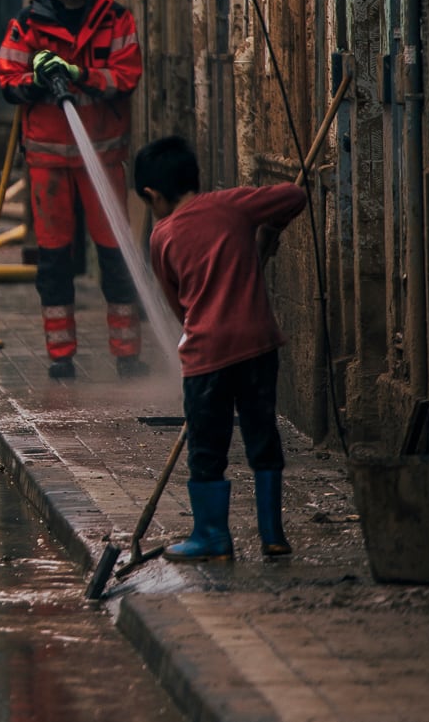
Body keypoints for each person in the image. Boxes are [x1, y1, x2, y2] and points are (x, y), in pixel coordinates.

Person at [135, 134, 308, 563]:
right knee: (262, 437)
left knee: (207, 452)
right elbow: (293, 194)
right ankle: (273, 536)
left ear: (152, 195)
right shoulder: (234, 205)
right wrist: (269, 228)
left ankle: (213, 538)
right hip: (257, 346)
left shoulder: (162, 236)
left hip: (206, 357)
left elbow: (179, 305)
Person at [0, 0, 146, 379]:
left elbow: (127, 75)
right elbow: (7, 79)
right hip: (47, 159)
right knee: (55, 258)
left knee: (115, 255)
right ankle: (60, 355)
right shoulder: (27, 23)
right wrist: (38, 79)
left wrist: (82, 76)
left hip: (101, 157)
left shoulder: (116, 19)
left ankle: (127, 352)